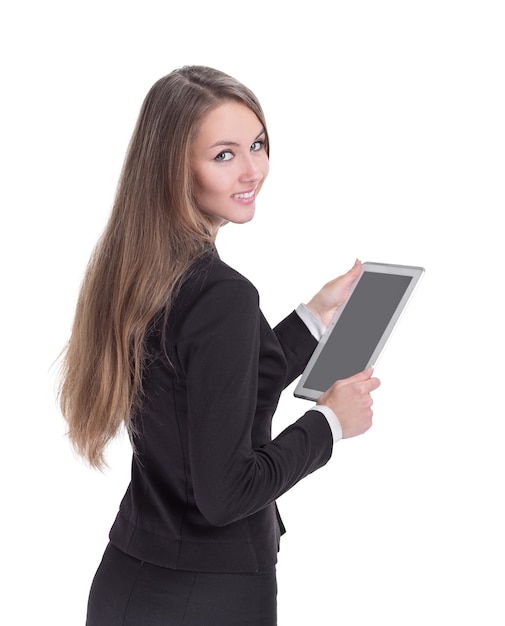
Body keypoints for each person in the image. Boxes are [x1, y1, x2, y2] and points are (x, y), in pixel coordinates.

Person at [58, 65, 380, 626]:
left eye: (258, 145)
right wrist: (329, 423)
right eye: (224, 154)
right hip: (210, 597)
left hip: (127, 580)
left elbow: (204, 393)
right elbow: (228, 493)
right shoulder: (222, 295)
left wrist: (313, 320)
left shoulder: (140, 270)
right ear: (175, 167)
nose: (253, 169)